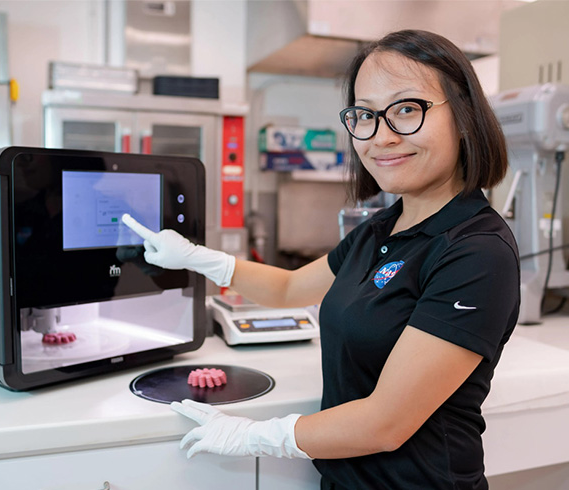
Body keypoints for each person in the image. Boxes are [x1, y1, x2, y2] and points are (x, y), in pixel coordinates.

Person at [123, 29, 520, 490]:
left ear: (465, 115)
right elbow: (290, 289)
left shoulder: (477, 251)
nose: (381, 137)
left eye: (407, 109)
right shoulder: (379, 230)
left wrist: (257, 434)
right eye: (365, 115)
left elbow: (385, 423)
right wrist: (197, 258)